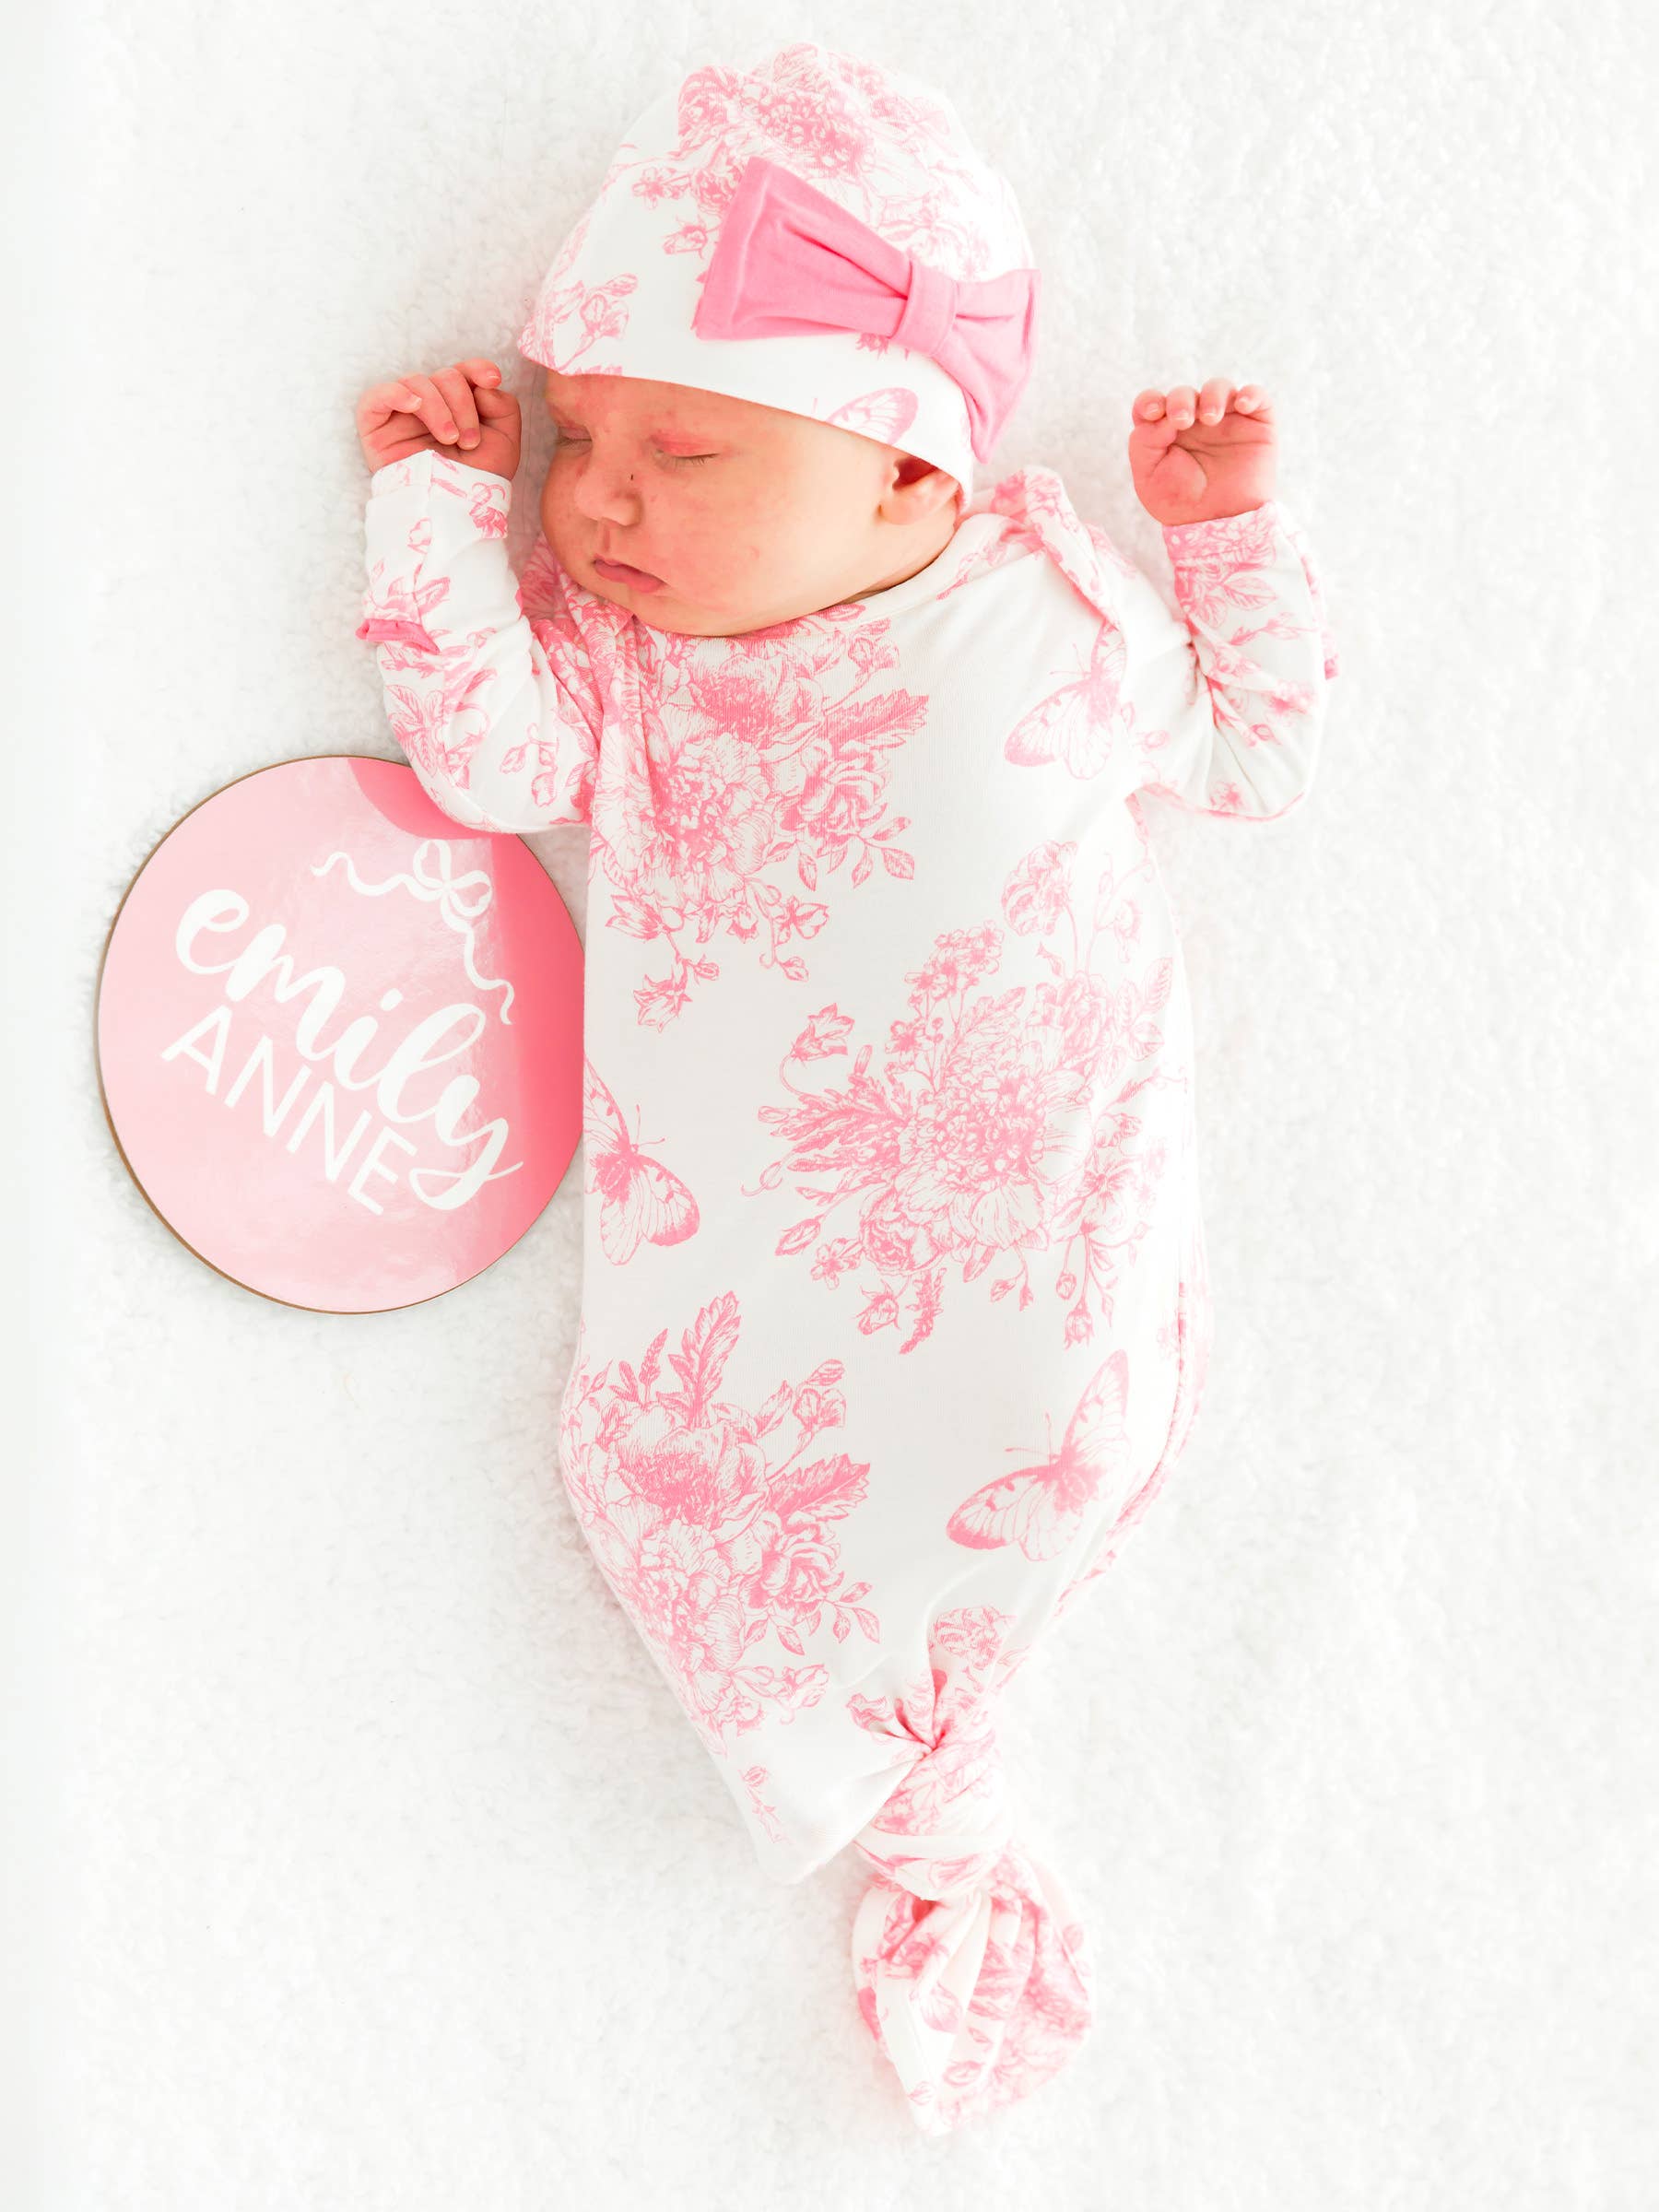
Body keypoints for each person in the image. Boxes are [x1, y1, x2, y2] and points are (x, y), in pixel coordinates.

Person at [350, 38, 1339, 2137]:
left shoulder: (1048, 612)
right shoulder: (633, 673)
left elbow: (1260, 755)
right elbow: (487, 764)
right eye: (579, 434)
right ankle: (927, 1812)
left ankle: (946, 1797)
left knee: (1041, 1443)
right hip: (750, 1310)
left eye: (682, 450)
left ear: (911, 476)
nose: (596, 495)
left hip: (1024, 1271)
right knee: (670, 1458)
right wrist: (439, 511)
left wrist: (1223, 533)